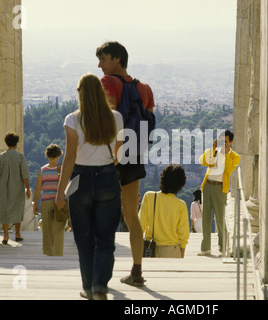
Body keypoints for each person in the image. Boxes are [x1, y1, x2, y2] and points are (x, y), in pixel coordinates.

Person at [55, 73, 123, 300]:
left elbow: (70, 157)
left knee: (84, 239)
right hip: (107, 176)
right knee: (105, 238)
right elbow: (117, 156)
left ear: (81, 94)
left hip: (80, 179)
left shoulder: (72, 119)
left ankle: (88, 287)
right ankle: (100, 286)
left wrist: (60, 193)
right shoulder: (116, 118)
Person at [96, 41, 155, 286]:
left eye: (104, 59)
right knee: (132, 216)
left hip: (109, 155)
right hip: (133, 154)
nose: (100, 65)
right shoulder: (145, 88)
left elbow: (103, 119)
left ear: (118, 59)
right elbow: (149, 124)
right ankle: (137, 271)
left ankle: (100, 275)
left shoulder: (107, 83)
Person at [198, 130, 241, 256]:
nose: (224, 144)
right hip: (208, 186)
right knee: (206, 218)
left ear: (231, 142)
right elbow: (203, 161)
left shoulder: (234, 157)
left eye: (226, 142)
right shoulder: (213, 152)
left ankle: (223, 249)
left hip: (220, 188)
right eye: (222, 141)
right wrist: (213, 150)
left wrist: (226, 153)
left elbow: (228, 170)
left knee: (220, 220)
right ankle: (205, 248)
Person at [139, 164, 189, 258]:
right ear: (181, 183)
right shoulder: (181, 205)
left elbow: (140, 225)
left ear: (162, 178)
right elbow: (183, 235)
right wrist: (181, 254)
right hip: (172, 251)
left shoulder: (149, 197)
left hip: (150, 248)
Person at [0, 132, 31, 245]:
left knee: (4, 210)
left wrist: (0, 185)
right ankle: (17, 234)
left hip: (3, 188)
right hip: (17, 187)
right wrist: (28, 188)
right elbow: (24, 175)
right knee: (17, 208)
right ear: (16, 143)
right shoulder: (20, 157)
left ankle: (5, 236)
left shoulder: (0, 157)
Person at [33, 144, 66, 256]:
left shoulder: (43, 170)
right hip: (59, 202)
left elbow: (38, 189)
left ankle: (48, 252)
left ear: (47, 155)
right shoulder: (62, 169)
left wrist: (35, 204)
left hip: (45, 201)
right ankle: (58, 252)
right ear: (59, 155)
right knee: (59, 228)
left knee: (46, 229)